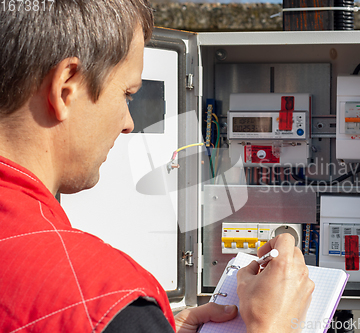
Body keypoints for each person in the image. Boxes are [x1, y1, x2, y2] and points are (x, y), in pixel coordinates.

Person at [0, 1, 314, 332]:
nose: (129, 123)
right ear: (66, 88)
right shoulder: (107, 301)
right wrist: (275, 325)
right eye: (128, 94)